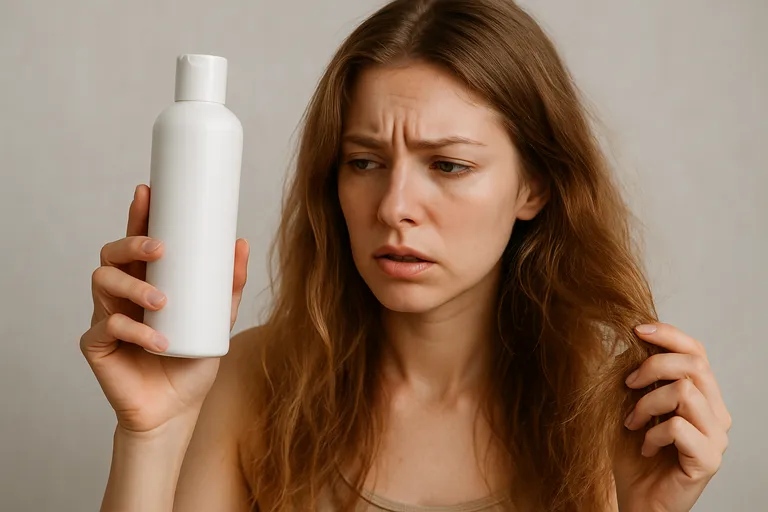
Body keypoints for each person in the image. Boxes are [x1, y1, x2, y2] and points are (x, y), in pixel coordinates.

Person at [81, 0, 731, 510]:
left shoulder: (613, 407)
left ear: (535, 185)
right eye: (364, 161)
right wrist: (151, 432)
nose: (393, 206)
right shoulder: (254, 383)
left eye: (447, 165)